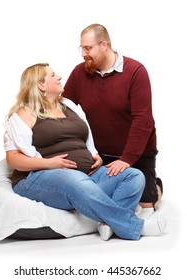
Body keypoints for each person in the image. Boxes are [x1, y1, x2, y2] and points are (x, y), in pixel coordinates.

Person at [4, 63, 166, 241]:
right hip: (38, 177)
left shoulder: (69, 105)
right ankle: (133, 226)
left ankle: (108, 225)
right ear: (41, 85)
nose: (59, 77)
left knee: (133, 176)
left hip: (86, 175)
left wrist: (94, 154)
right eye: (53, 75)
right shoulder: (24, 114)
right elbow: (13, 159)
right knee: (73, 179)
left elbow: (86, 136)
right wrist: (50, 163)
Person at [62, 23, 163, 219]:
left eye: (88, 48)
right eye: (81, 48)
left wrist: (126, 159)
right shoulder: (79, 73)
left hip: (136, 153)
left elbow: (143, 121)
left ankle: (156, 188)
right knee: (100, 201)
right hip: (100, 154)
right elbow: (64, 109)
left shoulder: (136, 71)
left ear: (104, 45)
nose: (83, 53)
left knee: (145, 208)